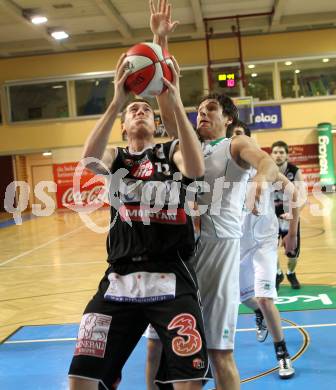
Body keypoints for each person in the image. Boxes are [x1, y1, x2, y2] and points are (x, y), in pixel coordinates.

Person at [145, 2, 279, 389]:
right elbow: (165, 98)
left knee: (220, 353)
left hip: (219, 251)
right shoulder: (186, 146)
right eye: (199, 110)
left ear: (229, 120)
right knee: (158, 347)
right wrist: (160, 39)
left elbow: (265, 162)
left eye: (210, 110)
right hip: (179, 251)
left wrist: (258, 180)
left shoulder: (235, 145)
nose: (201, 114)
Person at [68, 49, 210, 390]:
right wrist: (117, 101)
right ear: (123, 125)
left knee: (189, 381)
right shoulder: (116, 156)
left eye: (146, 108)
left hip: (171, 274)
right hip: (120, 278)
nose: (141, 110)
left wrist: (174, 98)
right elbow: (89, 162)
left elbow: (196, 169)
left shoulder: (169, 150)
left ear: (155, 121)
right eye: (134, 109)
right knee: (80, 379)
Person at [227, 122, 300, 379]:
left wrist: (291, 232)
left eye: (241, 136)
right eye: (233, 137)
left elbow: (291, 190)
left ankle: (282, 354)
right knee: (245, 299)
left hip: (264, 241)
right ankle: (257, 311)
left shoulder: (263, 164)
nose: (238, 142)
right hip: (236, 244)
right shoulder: (222, 168)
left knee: (267, 298)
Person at [270, 140, 306, 290]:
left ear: (287, 155)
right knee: (270, 249)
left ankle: (291, 272)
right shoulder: (265, 170)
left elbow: (303, 197)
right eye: (275, 152)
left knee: (292, 254)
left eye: (281, 152)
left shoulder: (294, 171)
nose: (278, 155)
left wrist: (293, 213)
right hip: (271, 218)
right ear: (271, 155)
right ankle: (278, 273)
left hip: (290, 218)